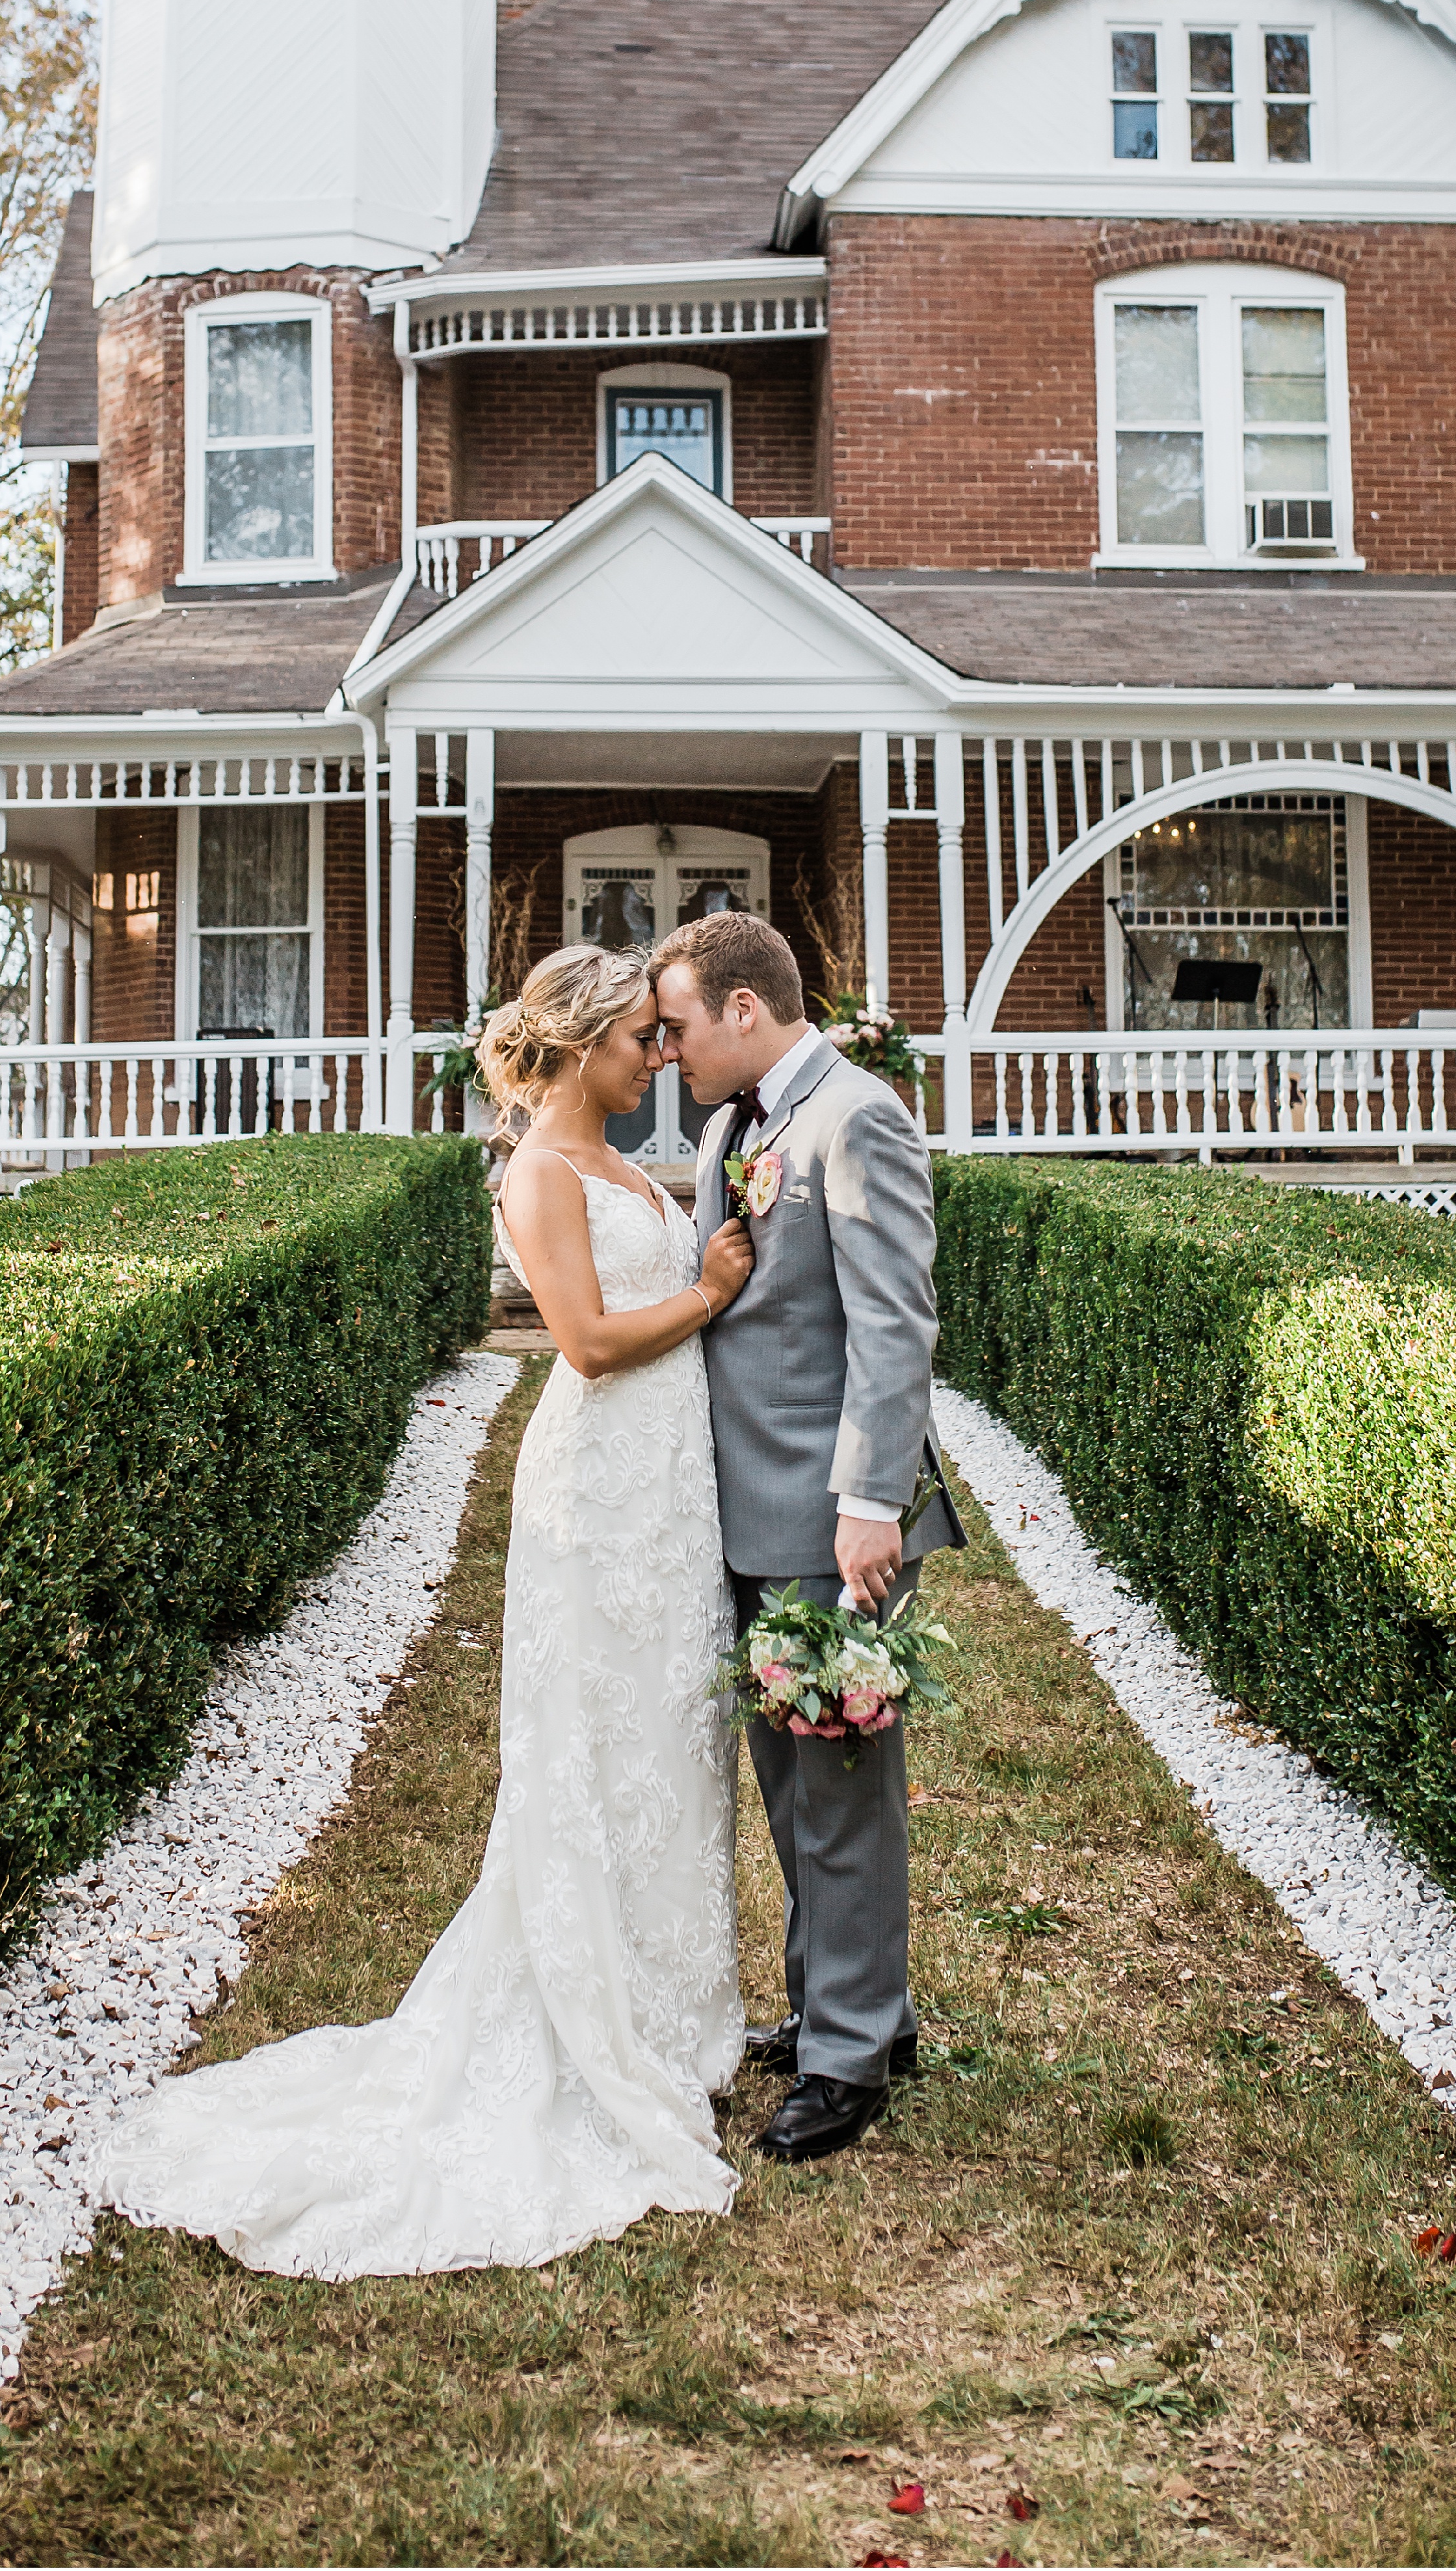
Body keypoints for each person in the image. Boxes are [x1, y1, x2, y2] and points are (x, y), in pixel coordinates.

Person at [89, 944, 755, 2278]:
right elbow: (582, 1338)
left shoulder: (625, 1161)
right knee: (593, 1747)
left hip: (669, 1488)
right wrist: (709, 1290)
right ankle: (588, 2017)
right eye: (639, 1039)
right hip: (599, 1482)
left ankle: (678, 2018)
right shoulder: (537, 1173)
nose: (658, 1057)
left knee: (672, 1738)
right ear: (576, 1047)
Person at [654, 911, 961, 2166]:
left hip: (830, 1520)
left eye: (676, 1026)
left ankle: (851, 2059)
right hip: (742, 1507)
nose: (665, 1050)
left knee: (839, 1790)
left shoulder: (856, 1118)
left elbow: (896, 1325)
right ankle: (833, 2002)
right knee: (790, 1787)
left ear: (741, 1009)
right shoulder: (736, 1124)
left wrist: (871, 1503)